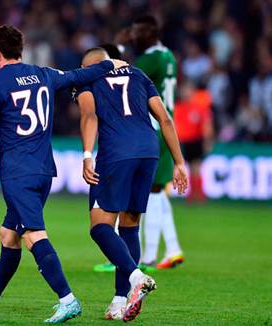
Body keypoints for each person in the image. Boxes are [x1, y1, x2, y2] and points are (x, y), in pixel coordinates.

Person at [0, 25, 127, 323]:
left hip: (18, 173)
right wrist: (107, 64)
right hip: (43, 171)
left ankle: (68, 299)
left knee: (34, 235)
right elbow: (78, 75)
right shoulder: (43, 74)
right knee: (8, 235)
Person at [77, 47, 188, 321]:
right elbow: (165, 119)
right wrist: (179, 162)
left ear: (94, 65)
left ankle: (136, 276)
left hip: (117, 152)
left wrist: (88, 154)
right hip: (149, 151)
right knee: (129, 225)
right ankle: (119, 301)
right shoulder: (138, 75)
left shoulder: (90, 79)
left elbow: (89, 116)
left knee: (100, 226)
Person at [130, 15, 185, 271]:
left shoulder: (148, 59)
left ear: (150, 32)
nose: (133, 36)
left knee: (149, 190)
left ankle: (149, 255)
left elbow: (126, 76)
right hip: (168, 123)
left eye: (137, 31)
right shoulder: (169, 56)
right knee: (158, 191)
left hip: (154, 124)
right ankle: (172, 248)